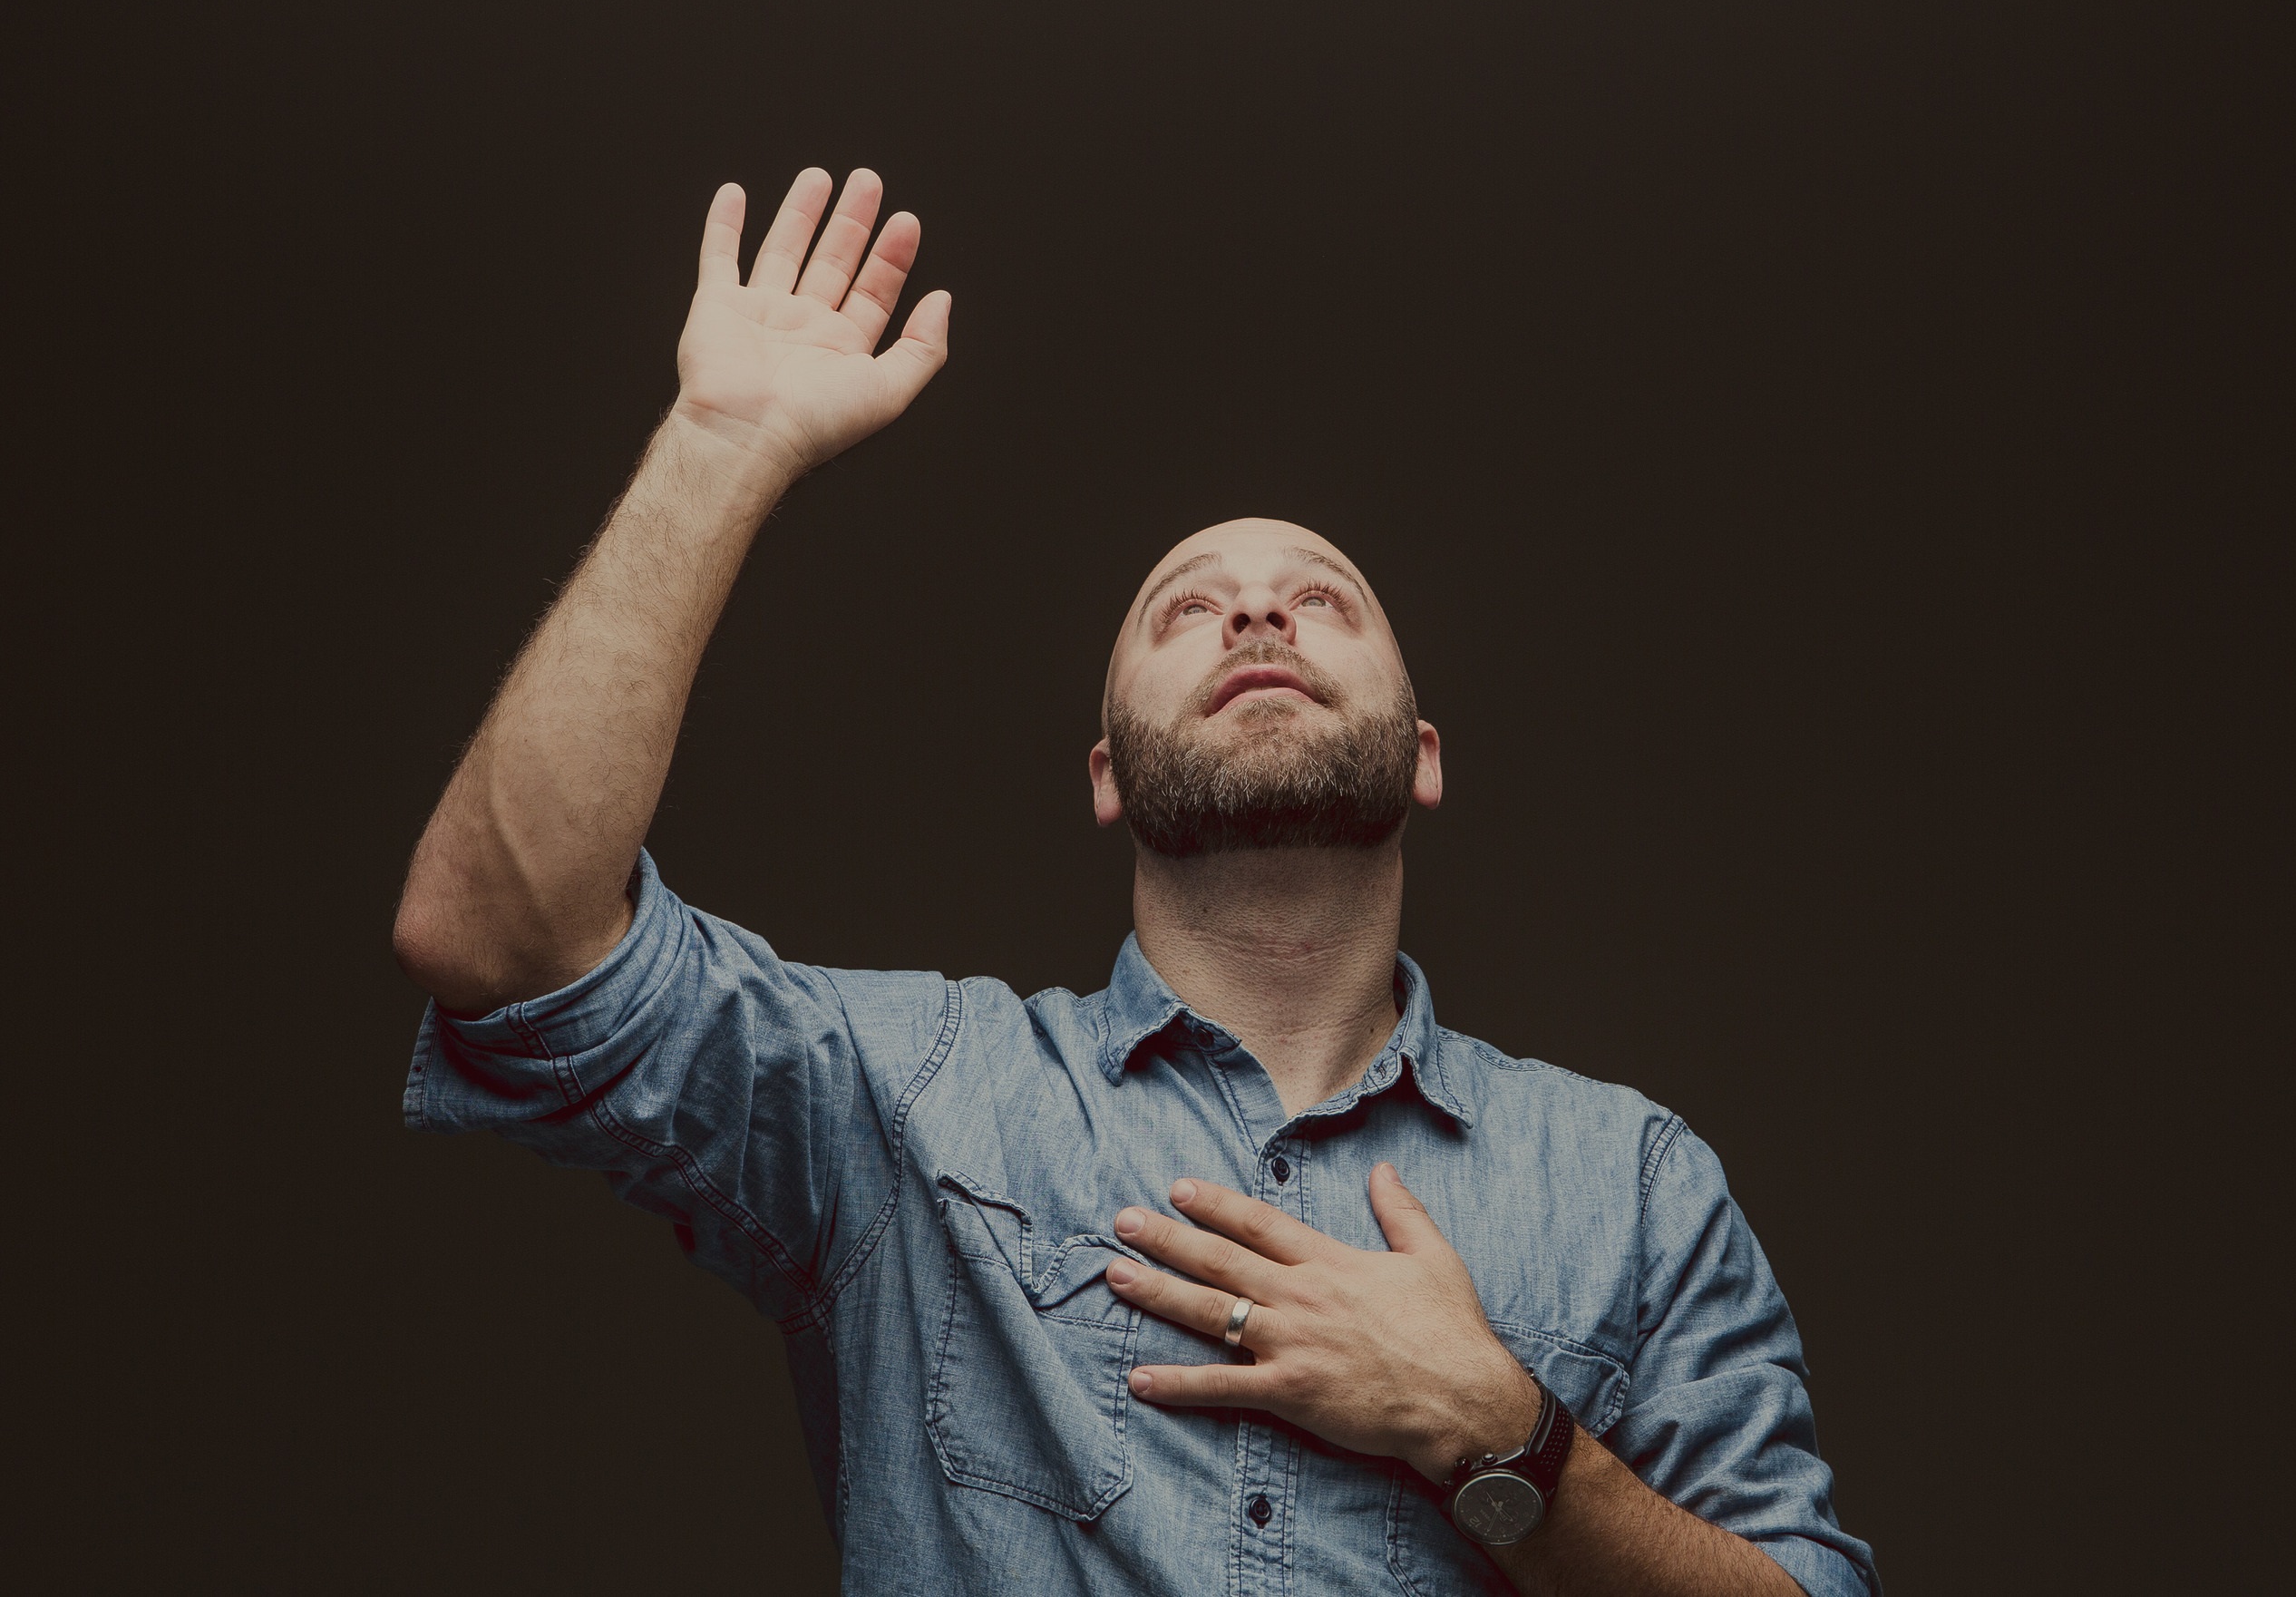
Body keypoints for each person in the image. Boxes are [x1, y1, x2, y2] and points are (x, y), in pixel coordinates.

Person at [393, 165, 1880, 1597]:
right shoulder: (912, 1098)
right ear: (1108, 773)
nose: (1252, 608)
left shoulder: (1629, 1182)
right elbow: (503, 939)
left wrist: (1505, 1434)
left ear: (1422, 756)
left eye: (1320, 600)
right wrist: (720, 442)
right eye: (1188, 608)